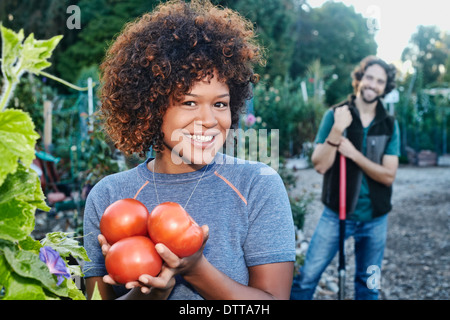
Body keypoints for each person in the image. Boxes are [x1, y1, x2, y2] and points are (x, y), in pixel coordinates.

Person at [82, 0, 296, 300]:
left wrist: (197, 270)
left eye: (220, 104)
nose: (209, 121)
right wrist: (148, 296)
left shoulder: (257, 185)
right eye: (189, 102)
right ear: (152, 106)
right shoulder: (108, 197)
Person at [291, 56, 400, 300]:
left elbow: (388, 176)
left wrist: (353, 154)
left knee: (371, 283)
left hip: (376, 219)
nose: (373, 84)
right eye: (369, 77)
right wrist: (338, 129)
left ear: (385, 87)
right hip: (336, 214)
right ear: (359, 79)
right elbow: (319, 165)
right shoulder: (335, 115)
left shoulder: (390, 125)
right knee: (307, 276)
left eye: (380, 81)